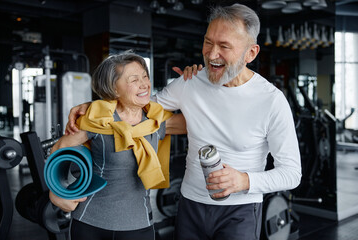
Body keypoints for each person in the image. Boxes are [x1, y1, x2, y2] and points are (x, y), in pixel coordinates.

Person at [66, 3, 301, 240]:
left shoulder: (271, 101)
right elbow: (136, 109)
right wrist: (95, 108)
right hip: (190, 204)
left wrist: (244, 180)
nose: (211, 54)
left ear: (251, 53)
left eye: (224, 46)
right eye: (208, 42)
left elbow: (292, 173)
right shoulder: (191, 82)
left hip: (239, 210)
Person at [49, 52, 187, 240]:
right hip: (90, 222)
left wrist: (197, 82)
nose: (144, 84)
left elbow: (197, 122)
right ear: (114, 89)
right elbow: (57, 151)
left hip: (138, 225)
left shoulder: (156, 121)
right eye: (134, 79)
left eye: (145, 77)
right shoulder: (98, 120)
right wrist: (56, 192)